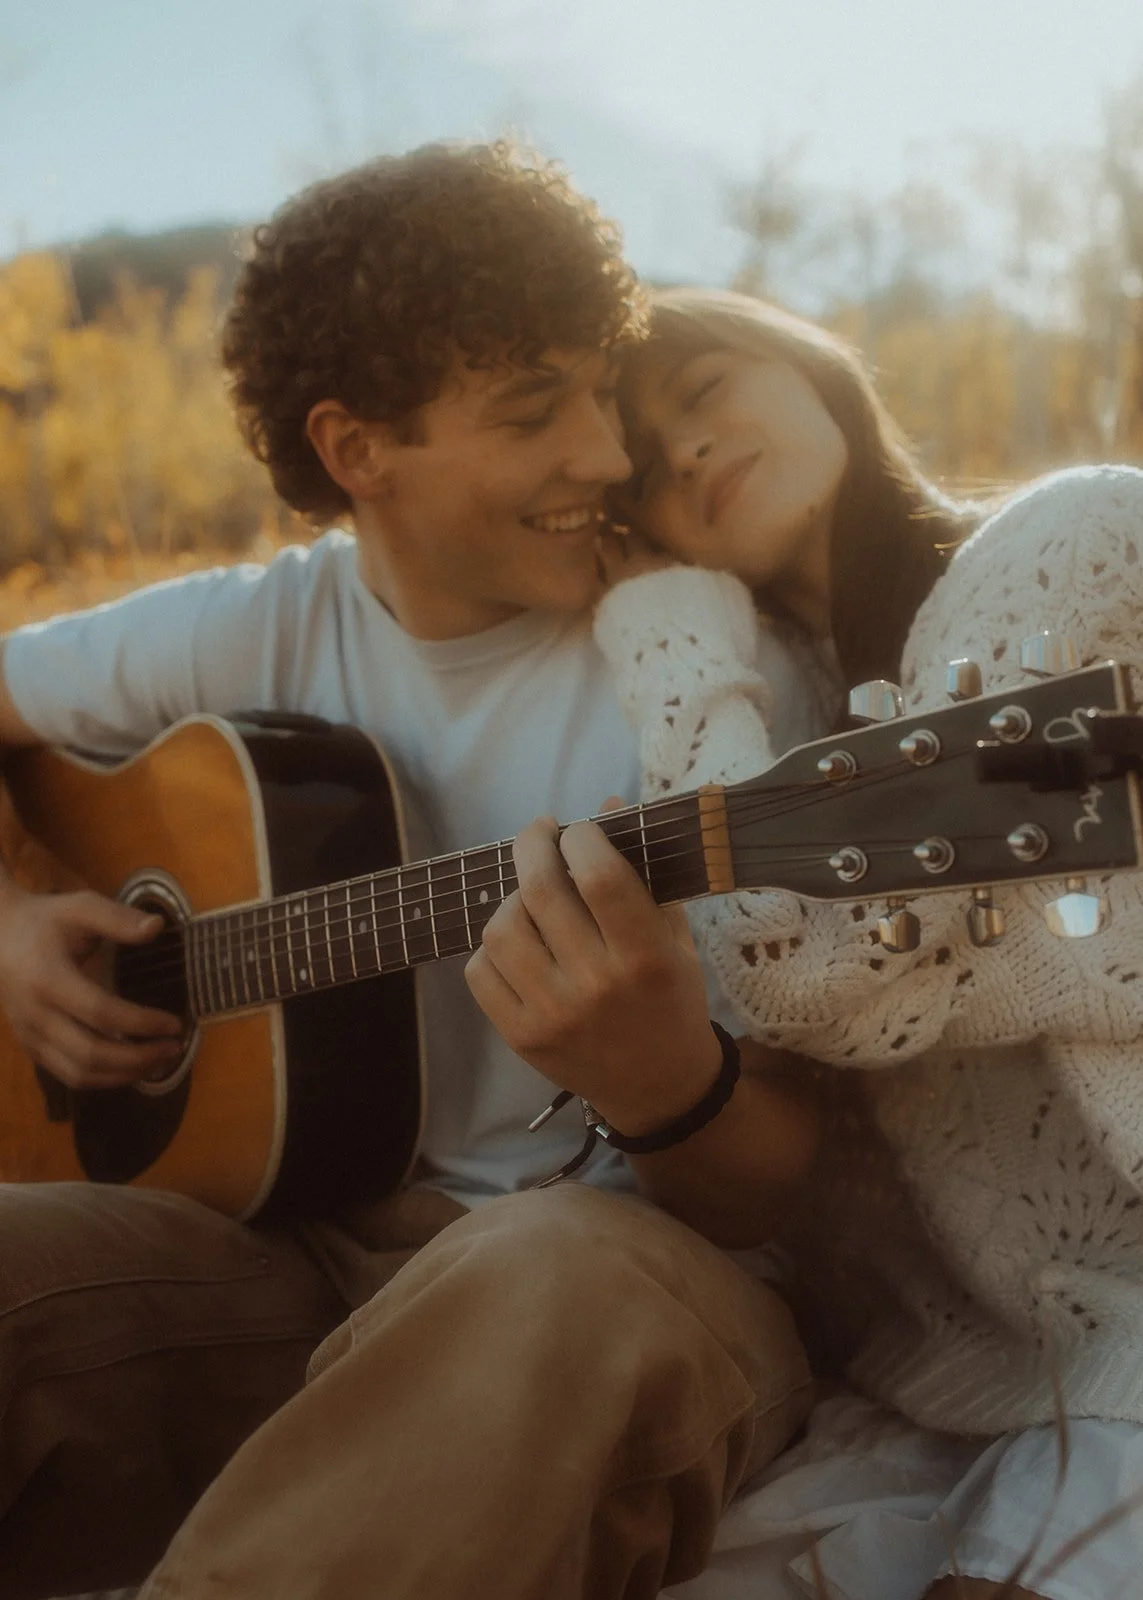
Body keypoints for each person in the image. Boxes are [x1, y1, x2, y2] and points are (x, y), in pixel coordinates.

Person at [0, 151, 822, 1600]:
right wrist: (9, 918)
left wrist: (665, 1089)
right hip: (286, 1257)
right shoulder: (252, 628)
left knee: (547, 1277)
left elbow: (789, 1186)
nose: (606, 455)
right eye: (532, 411)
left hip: (624, 1280)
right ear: (358, 449)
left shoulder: (709, 673)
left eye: (598, 389)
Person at [592, 284, 1143, 1600]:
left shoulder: (1071, 538)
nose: (688, 449)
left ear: (813, 366)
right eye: (647, 463)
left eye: (705, 390)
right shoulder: (785, 708)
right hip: (951, 1385)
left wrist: (666, 638)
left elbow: (807, 970)